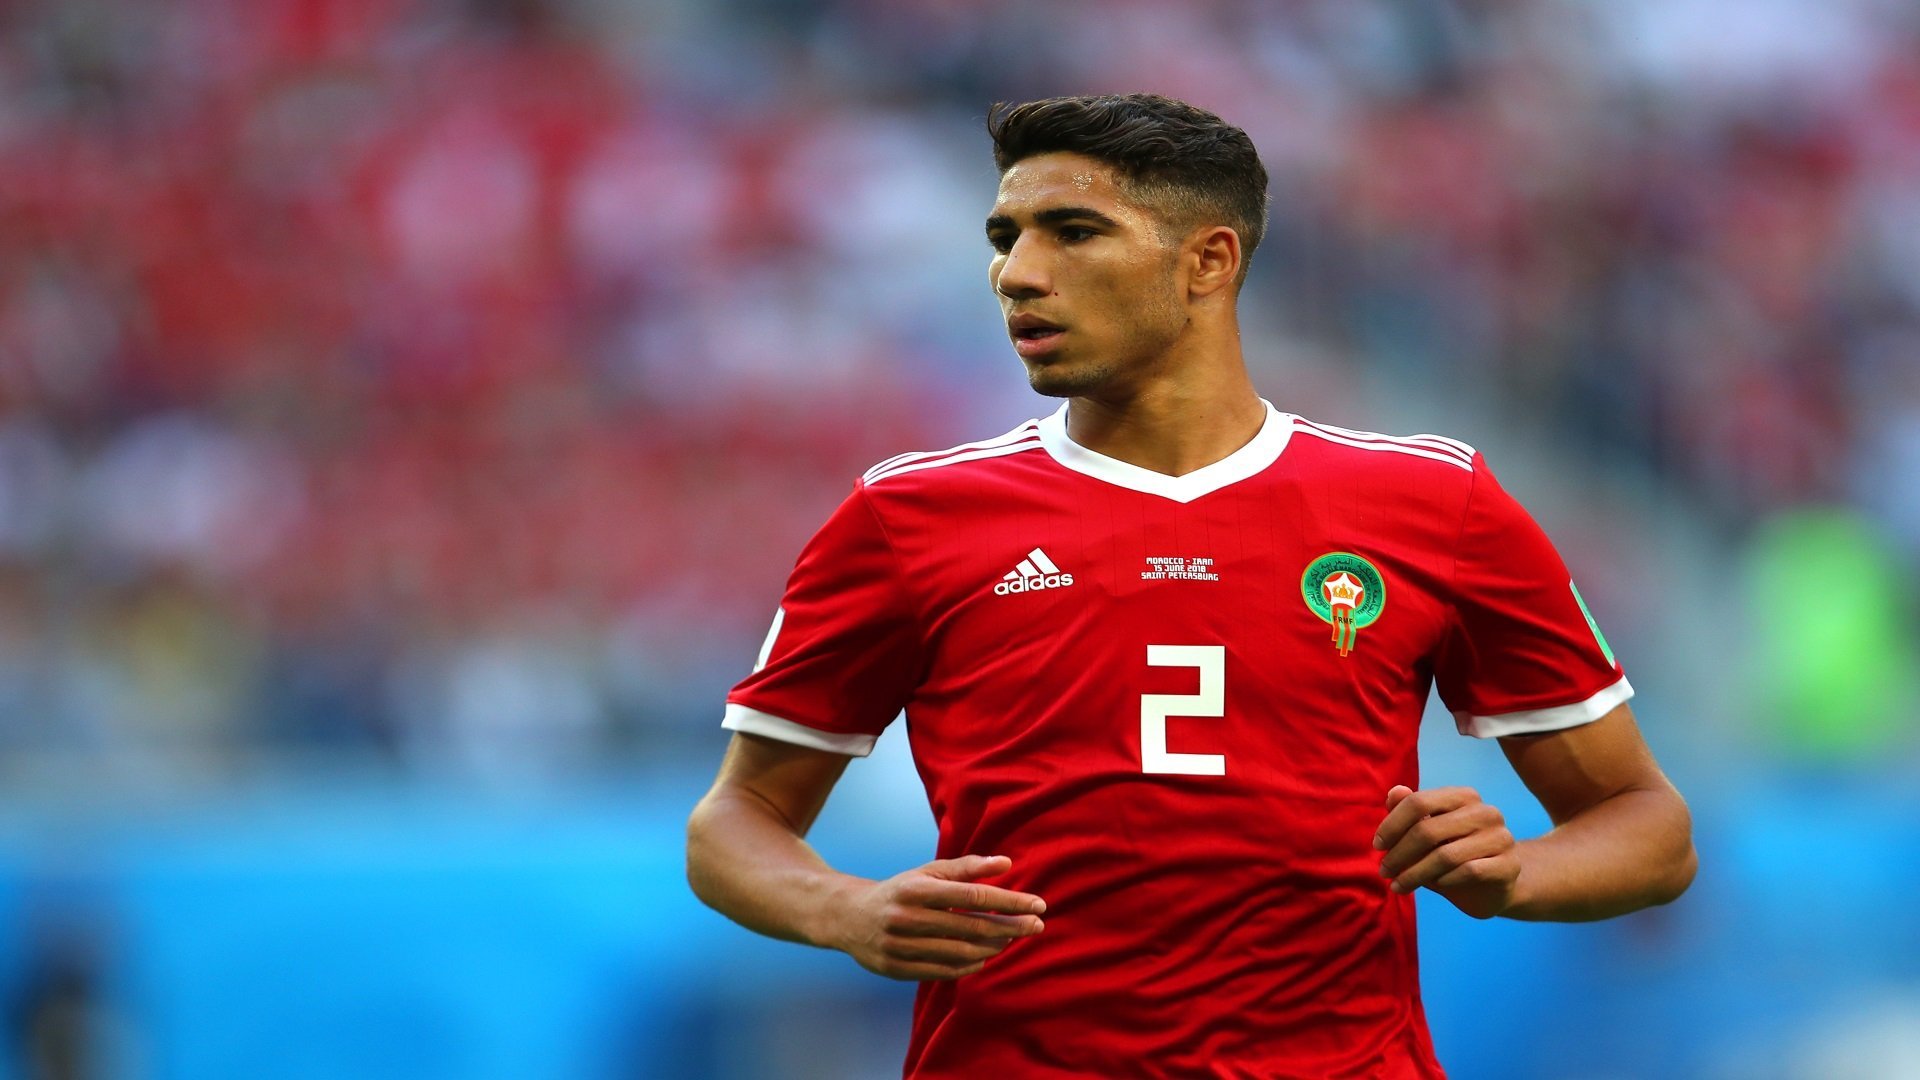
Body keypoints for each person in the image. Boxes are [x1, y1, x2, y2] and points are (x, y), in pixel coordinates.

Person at [685, 93, 1696, 1079]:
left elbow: (1648, 828)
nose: (1017, 274)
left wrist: (1514, 872)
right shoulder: (907, 515)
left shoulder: (1436, 502)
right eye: (1006, 236)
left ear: (1208, 261)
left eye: (1072, 232)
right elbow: (735, 822)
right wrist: (846, 912)